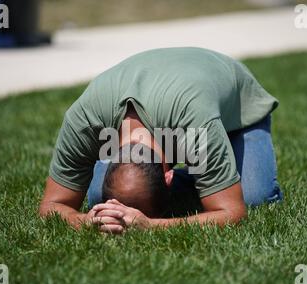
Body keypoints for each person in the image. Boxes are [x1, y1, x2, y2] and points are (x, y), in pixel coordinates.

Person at [39, 47, 283, 234]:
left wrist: (152, 225)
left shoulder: (195, 122)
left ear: (169, 177)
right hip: (181, 110)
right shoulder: (84, 120)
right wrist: (89, 220)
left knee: (252, 197)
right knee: (99, 199)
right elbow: (50, 207)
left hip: (236, 113)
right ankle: (209, 179)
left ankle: (210, 177)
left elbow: (233, 212)